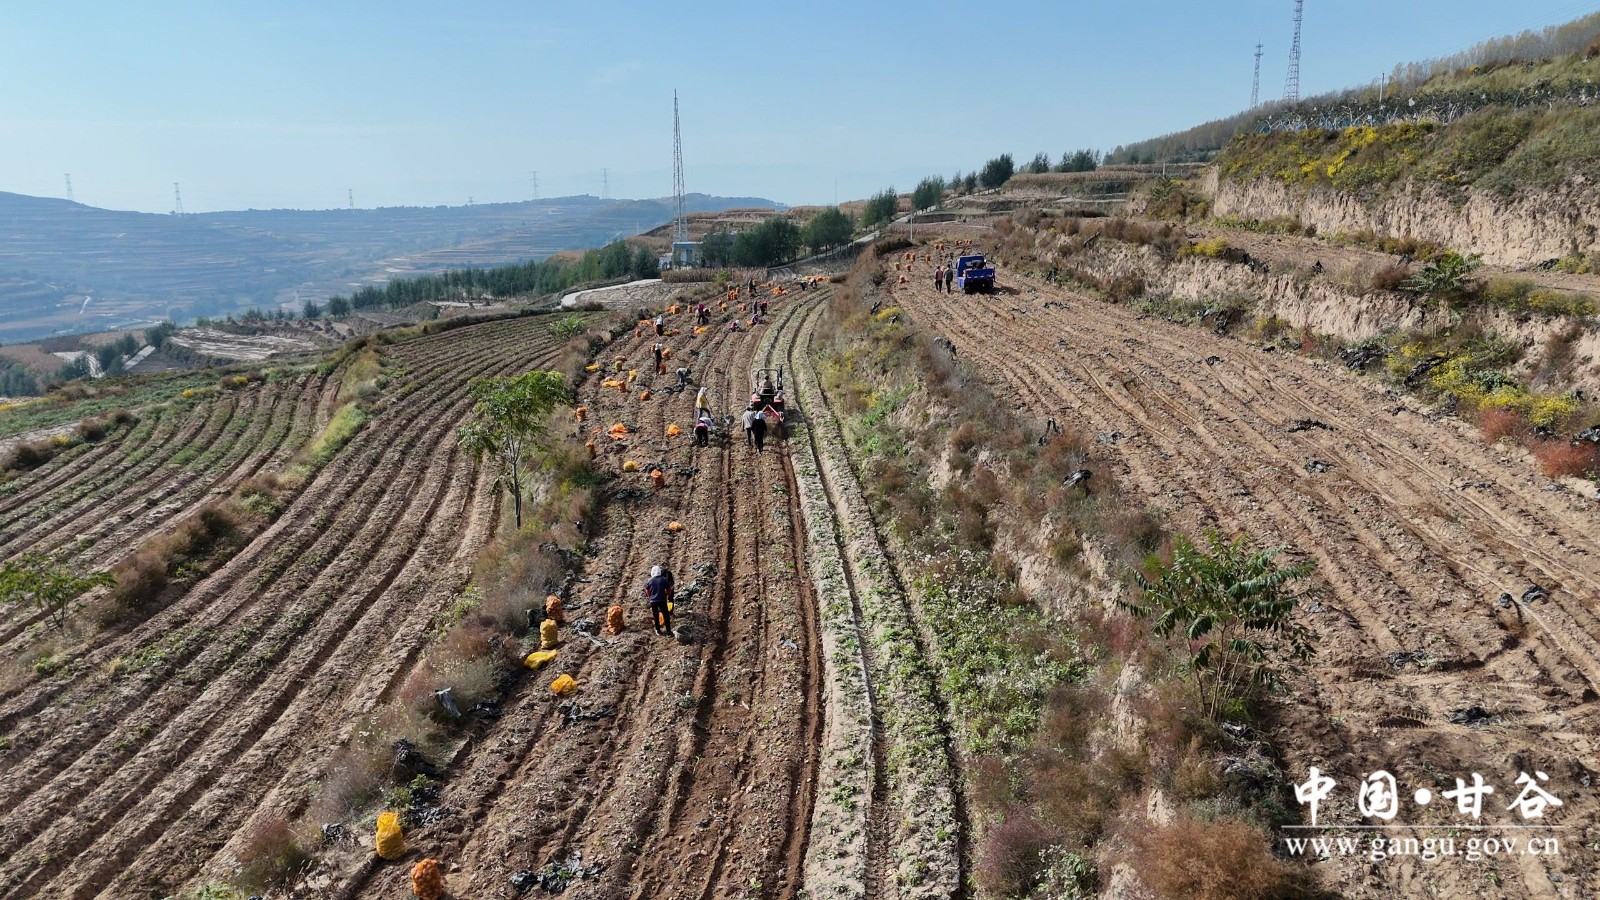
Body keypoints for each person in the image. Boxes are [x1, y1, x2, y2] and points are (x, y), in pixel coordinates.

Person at [646, 565, 674, 636]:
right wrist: (666, 594)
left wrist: (650, 597)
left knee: (656, 616)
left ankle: (658, 630)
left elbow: (647, 590)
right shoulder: (664, 579)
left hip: (653, 601)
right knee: (666, 615)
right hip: (662, 600)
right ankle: (668, 632)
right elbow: (669, 589)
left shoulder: (650, 580)